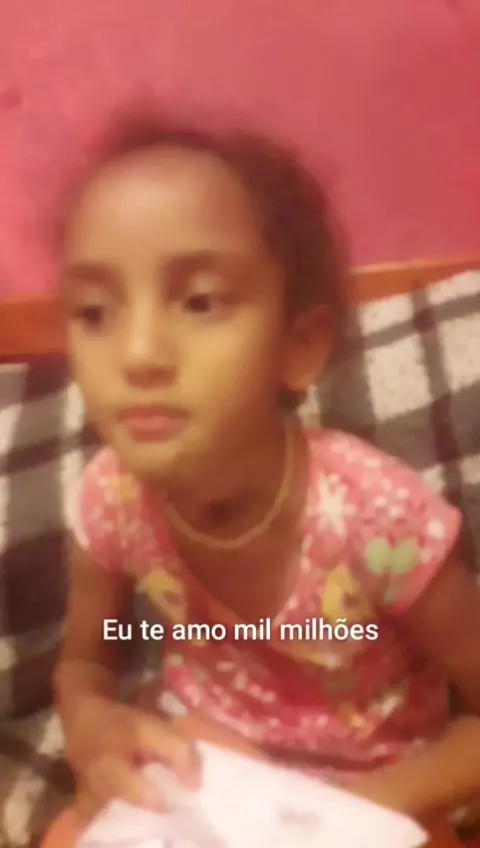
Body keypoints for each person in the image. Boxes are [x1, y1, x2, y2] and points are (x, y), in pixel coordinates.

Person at [44, 112, 480, 847]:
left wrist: (347, 819)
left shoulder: (378, 519)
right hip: (206, 773)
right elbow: (86, 659)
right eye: (95, 312)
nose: (138, 352)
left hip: (378, 789)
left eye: (200, 301)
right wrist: (91, 725)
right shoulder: (112, 499)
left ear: (298, 346)